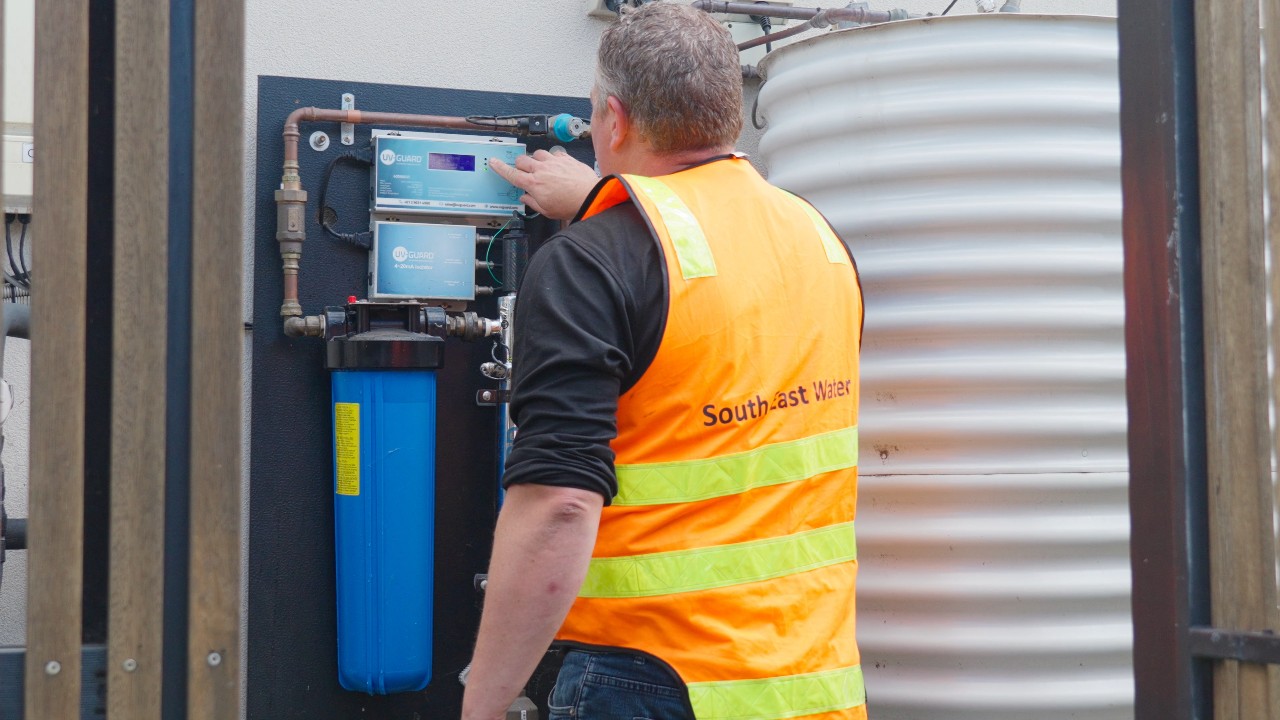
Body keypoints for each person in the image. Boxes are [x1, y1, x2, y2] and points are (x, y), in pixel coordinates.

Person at [462, 3, 866, 719]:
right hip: (807, 681)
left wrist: (485, 704)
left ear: (614, 120)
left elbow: (560, 505)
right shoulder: (819, 239)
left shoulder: (590, 264)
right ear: (727, 116)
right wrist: (596, 202)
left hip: (651, 680)